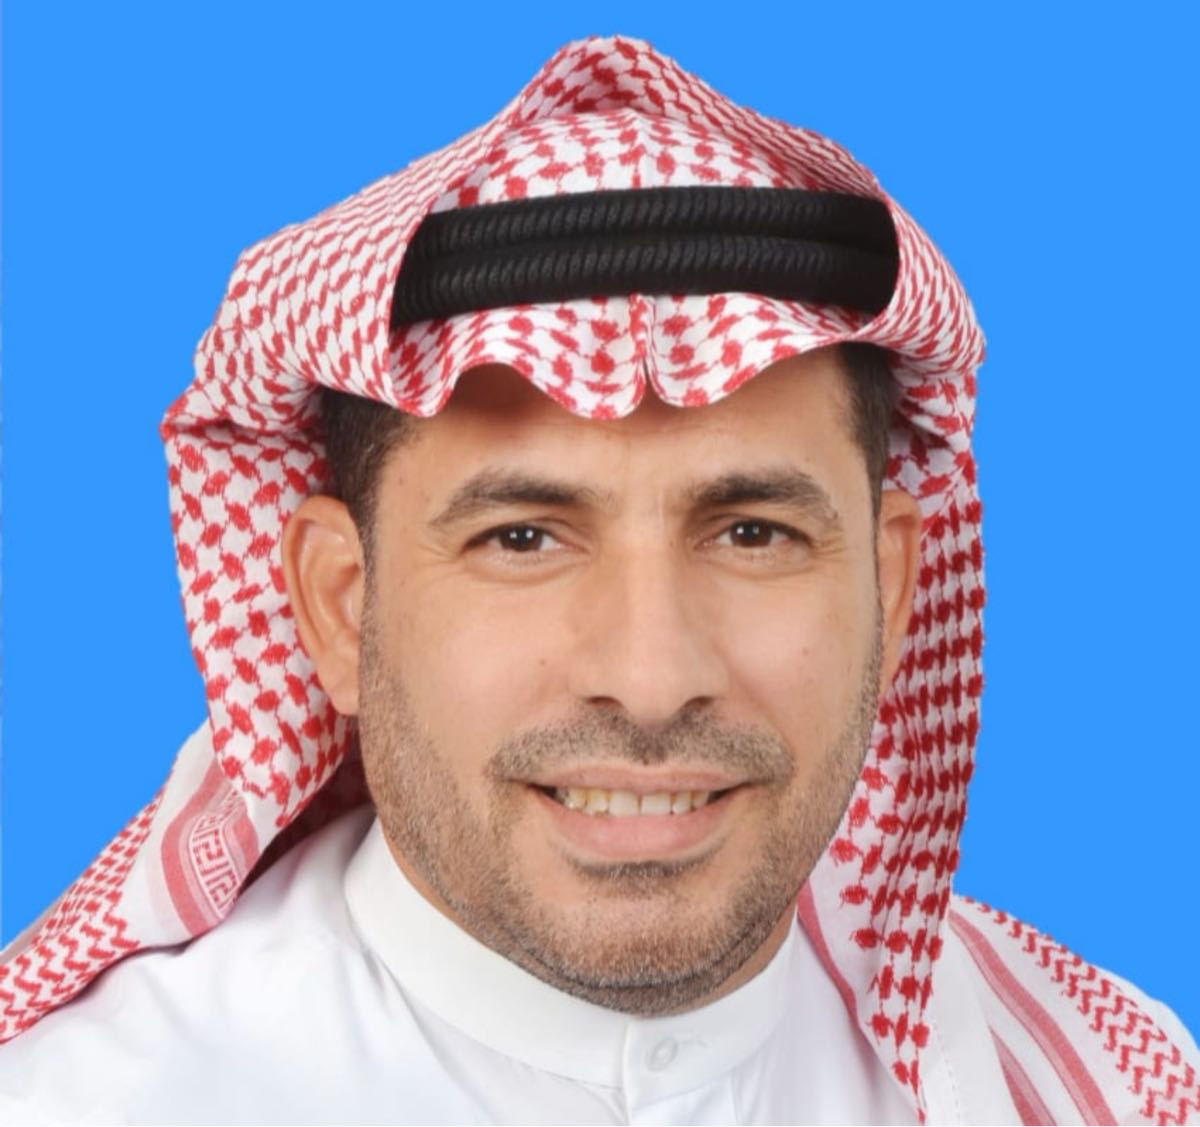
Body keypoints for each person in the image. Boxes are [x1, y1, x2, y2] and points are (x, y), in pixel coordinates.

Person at [0, 34, 1196, 1126]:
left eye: (753, 532)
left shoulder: (1104, 1088)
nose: (650, 674)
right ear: (338, 606)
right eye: (523, 538)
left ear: (890, 588)